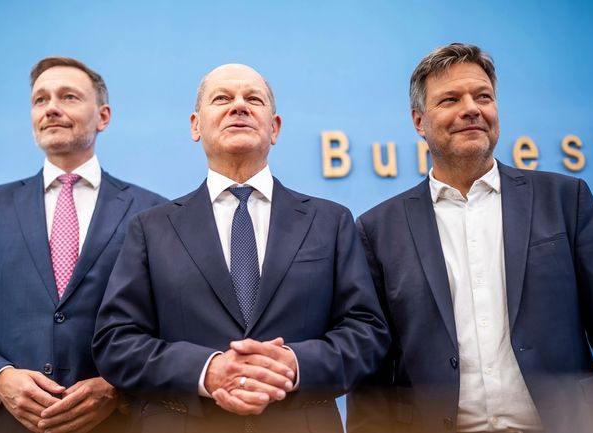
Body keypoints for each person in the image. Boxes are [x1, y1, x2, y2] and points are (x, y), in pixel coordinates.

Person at [348, 43, 593, 433]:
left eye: (482, 96)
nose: (471, 108)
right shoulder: (377, 229)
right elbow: (374, 371)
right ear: (419, 121)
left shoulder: (565, 200)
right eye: (450, 99)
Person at [92, 63, 389, 433]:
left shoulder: (331, 221)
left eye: (253, 99)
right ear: (195, 126)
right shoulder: (150, 228)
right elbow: (115, 342)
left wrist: (293, 365)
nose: (239, 106)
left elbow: (367, 333)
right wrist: (206, 370)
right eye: (222, 98)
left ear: (274, 128)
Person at [0, 56, 166, 433]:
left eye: (68, 97)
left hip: (115, 424)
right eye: (40, 99)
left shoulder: (152, 211)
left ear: (103, 116)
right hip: (4, 423)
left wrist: (118, 388)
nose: (51, 108)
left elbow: (171, 327)